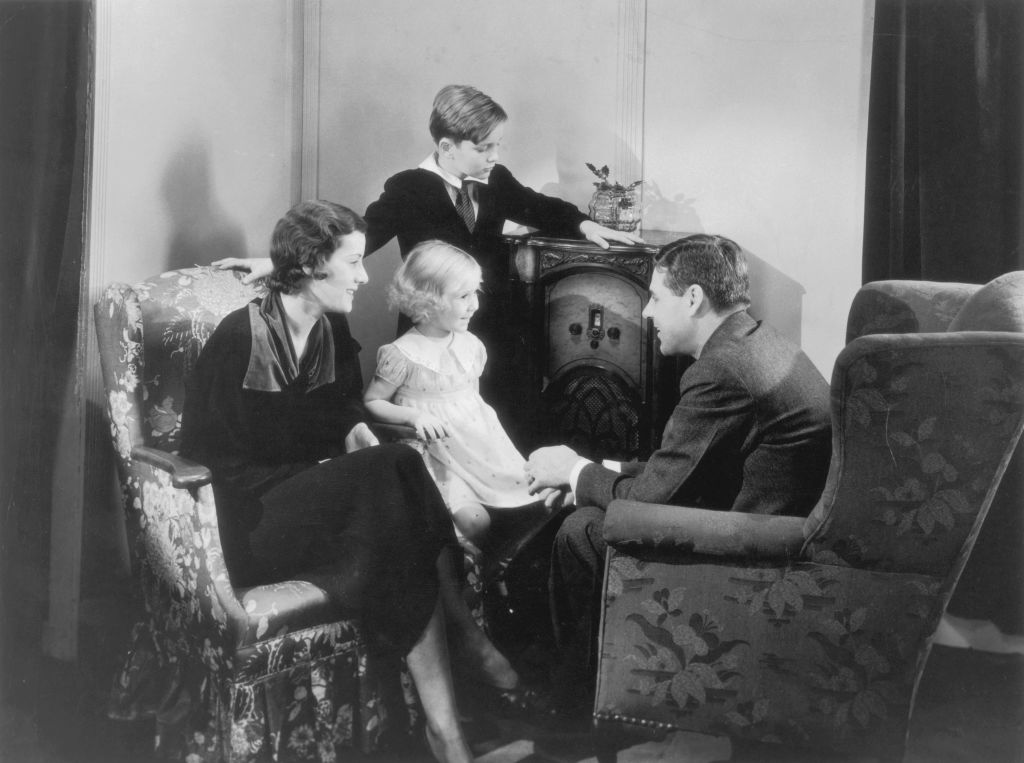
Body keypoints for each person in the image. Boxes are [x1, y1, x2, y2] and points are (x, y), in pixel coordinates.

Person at [180, 200, 537, 763]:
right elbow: (211, 465)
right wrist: (331, 475)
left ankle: (449, 737)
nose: (366, 275)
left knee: (396, 481)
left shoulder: (329, 326)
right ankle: (466, 660)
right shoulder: (238, 339)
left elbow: (344, 411)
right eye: (353, 262)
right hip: (247, 523)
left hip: (308, 502)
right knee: (392, 473)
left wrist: (356, 450)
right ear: (312, 265)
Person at [212, 84, 643, 443]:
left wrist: (586, 226)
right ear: (446, 146)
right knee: (437, 424)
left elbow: (540, 206)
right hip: (428, 326)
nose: (494, 155)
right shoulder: (407, 188)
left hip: (491, 324)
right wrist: (277, 262)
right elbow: (362, 233)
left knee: (498, 416)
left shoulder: (495, 179)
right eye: (484, 147)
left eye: (498, 145)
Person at [524, 233, 833, 716]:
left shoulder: (722, 369)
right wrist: (590, 473)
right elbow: (690, 465)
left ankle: (580, 709)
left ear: (693, 299)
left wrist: (573, 471)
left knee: (580, 531)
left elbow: (654, 496)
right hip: (771, 520)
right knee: (585, 507)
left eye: (656, 297)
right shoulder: (757, 342)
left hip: (751, 548)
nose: (646, 312)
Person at [363, 240, 565, 547]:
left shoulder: (471, 345)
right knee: (474, 522)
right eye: (463, 296)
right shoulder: (402, 354)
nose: (475, 305)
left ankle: (492, 567)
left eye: (476, 293)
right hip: (433, 453)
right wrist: (415, 415)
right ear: (428, 299)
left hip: (477, 451)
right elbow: (372, 401)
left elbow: (474, 401)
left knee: (538, 501)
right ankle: (464, 570)